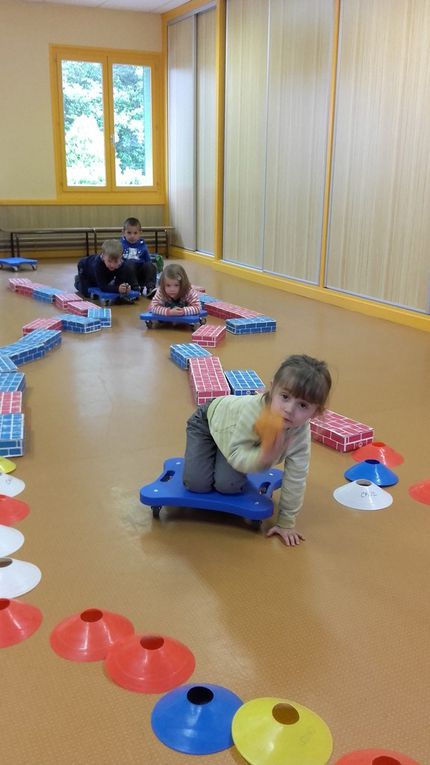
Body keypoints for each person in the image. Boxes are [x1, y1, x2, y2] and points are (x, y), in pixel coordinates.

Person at [183, 354, 332, 547]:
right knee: (196, 484)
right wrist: (263, 458)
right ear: (272, 389)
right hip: (207, 422)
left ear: (316, 412)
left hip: (235, 439)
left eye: (303, 405)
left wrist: (286, 522)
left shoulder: (300, 432)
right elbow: (237, 454)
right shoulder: (253, 411)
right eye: (285, 397)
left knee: (228, 486)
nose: (289, 409)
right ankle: (214, 451)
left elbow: (296, 476)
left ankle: (222, 455)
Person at [120, 217, 158, 298]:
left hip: (140, 272)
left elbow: (148, 261)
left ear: (140, 233)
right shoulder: (120, 245)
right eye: (129, 233)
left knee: (151, 266)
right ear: (123, 232)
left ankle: (150, 288)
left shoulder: (142, 245)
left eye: (135, 233)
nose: (132, 236)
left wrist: (151, 267)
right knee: (129, 263)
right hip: (127, 274)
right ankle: (135, 289)